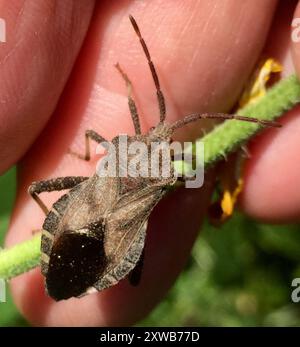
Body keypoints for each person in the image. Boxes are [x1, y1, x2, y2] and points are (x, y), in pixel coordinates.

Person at [1, 0, 299, 326]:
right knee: (135, 276)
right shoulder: (167, 174)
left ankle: (55, 221)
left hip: (88, 217)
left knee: (37, 189)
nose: (160, 133)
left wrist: (124, 97)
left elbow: (110, 126)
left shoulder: (136, 155)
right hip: (111, 237)